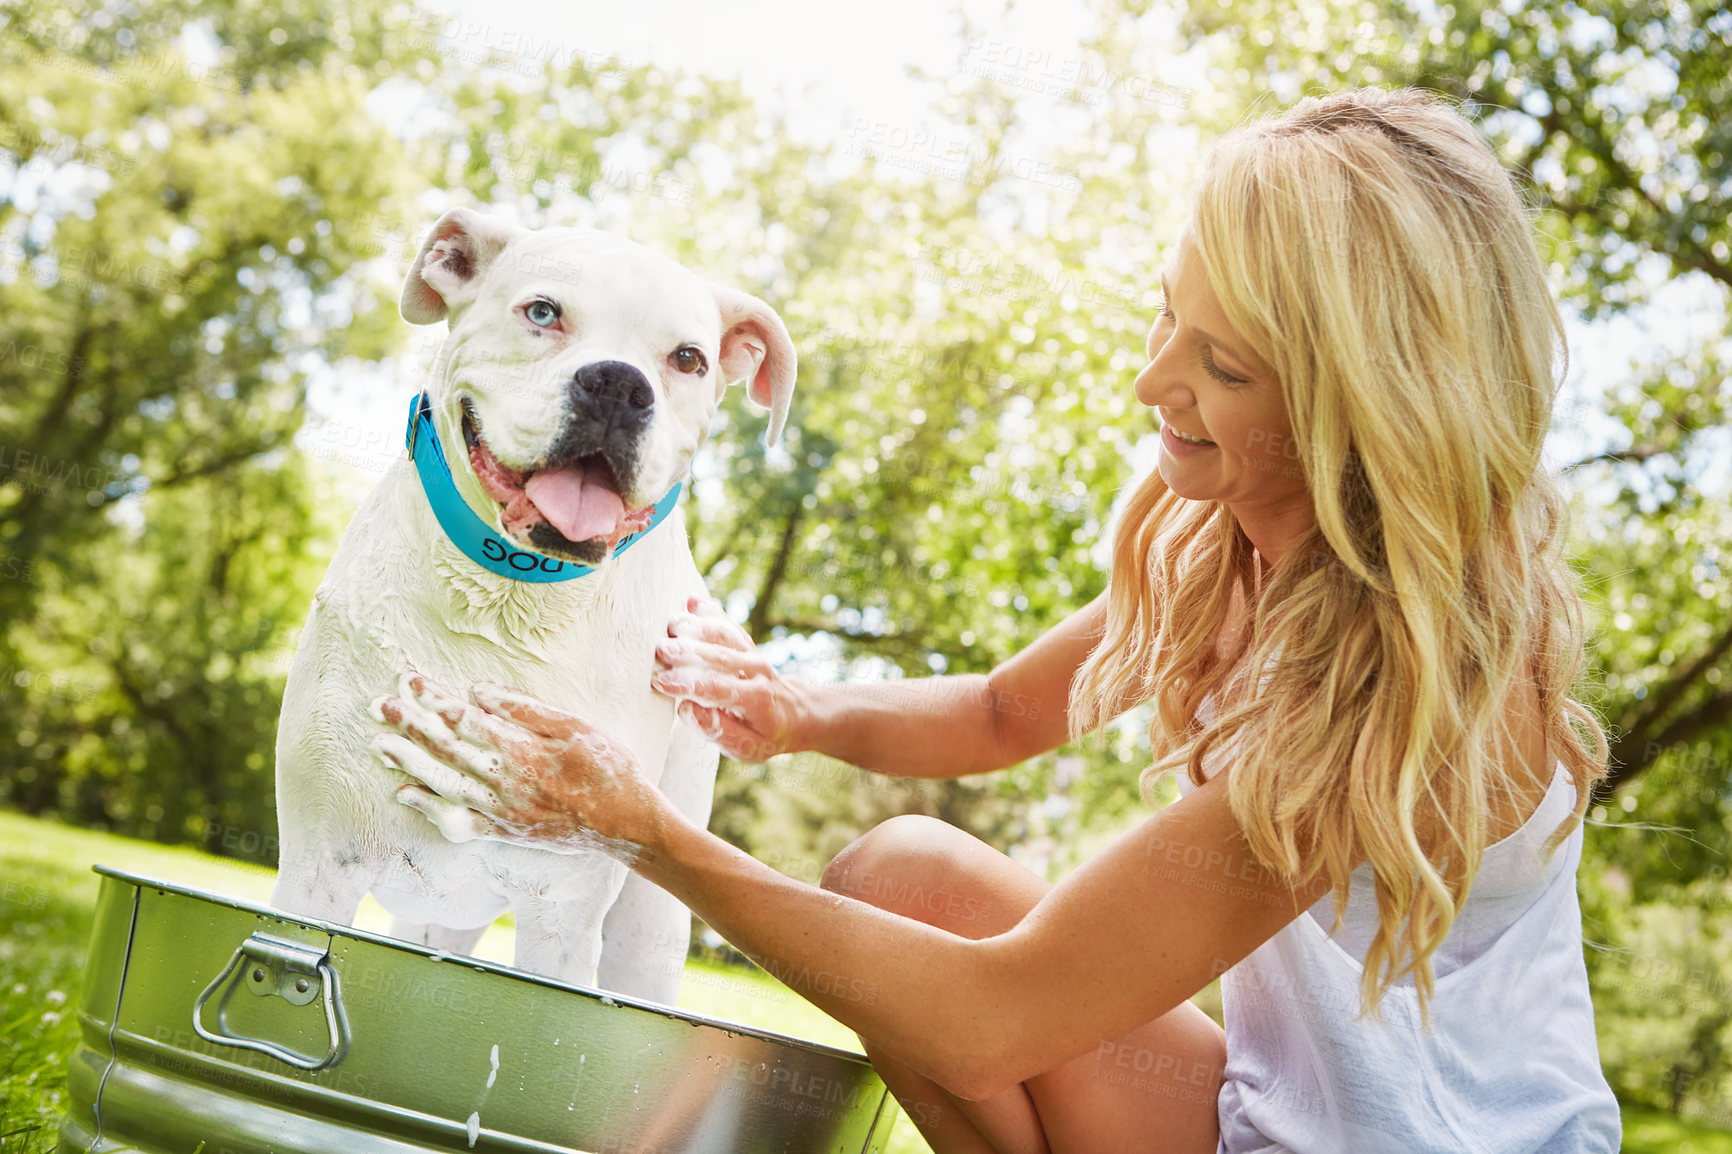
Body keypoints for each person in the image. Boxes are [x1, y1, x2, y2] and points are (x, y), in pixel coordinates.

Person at [371, 87, 1624, 1153]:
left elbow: (992, 1017)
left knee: (964, 995)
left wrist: (640, 829)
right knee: (901, 875)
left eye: (1221, 366)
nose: (1152, 381)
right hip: (1268, 1115)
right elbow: (999, 709)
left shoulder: (1425, 685)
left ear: (1362, 407)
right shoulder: (1224, 536)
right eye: (1165, 315)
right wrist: (795, 709)